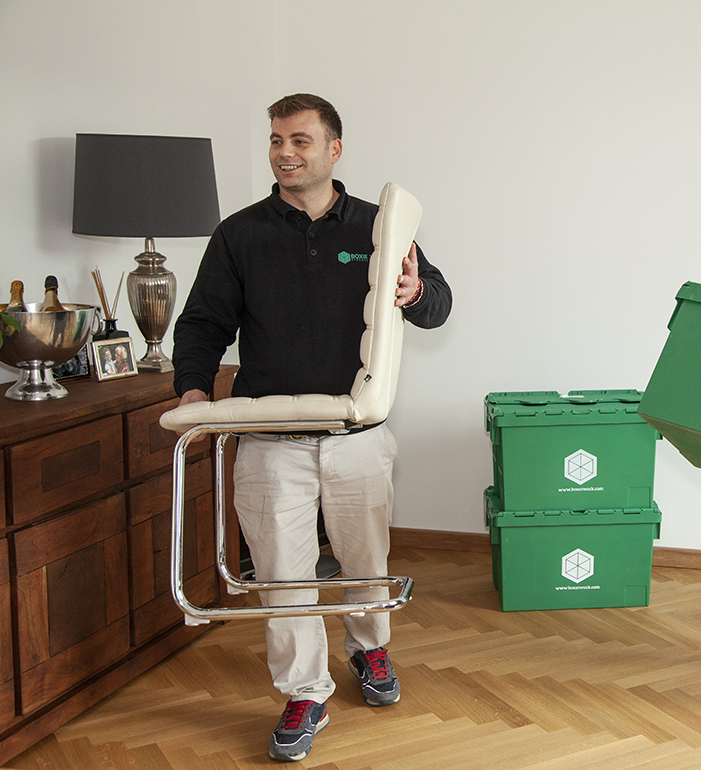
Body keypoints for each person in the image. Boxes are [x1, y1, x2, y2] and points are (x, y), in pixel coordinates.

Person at [171, 93, 452, 762]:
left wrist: (415, 294)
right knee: (280, 575)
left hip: (356, 438)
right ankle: (304, 692)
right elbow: (204, 323)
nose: (285, 152)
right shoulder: (240, 233)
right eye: (275, 140)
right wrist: (192, 390)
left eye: (299, 139)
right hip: (268, 441)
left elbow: (437, 302)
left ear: (334, 148)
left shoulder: (378, 226)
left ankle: (370, 652)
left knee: (364, 562)